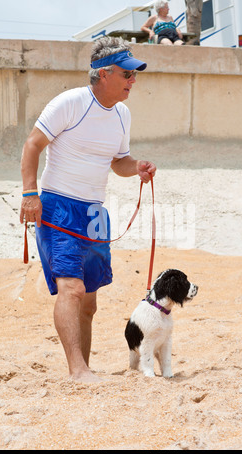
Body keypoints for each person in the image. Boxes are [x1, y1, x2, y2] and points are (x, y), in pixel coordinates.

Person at [20, 36, 156, 384]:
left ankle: (85, 368)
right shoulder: (70, 103)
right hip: (58, 205)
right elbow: (33, 146)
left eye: (134, 74)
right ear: (105, 74)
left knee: (90, 302)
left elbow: (118, 161)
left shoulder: (122, 114)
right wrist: (30, 194)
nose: (133, 80)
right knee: (72, 290)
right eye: (127, 74)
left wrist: (136, 167)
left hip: (95, 213)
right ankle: (76, 371)